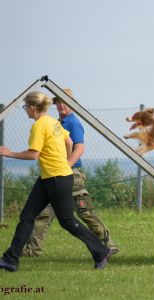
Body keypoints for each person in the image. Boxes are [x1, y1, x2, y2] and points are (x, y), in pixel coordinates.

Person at [0, 91, 111, 272]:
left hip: (57, 179)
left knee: (67, 221)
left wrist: (8, 152)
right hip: (49, 177)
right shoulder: (53, 122)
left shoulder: (39, 126)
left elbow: (33, 154)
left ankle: (101, 251)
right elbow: (68, 141)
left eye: (26, 106)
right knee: (27, 216)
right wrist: (64, 161)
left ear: (33, 108)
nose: (25, 110)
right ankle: (10, 260)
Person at [22, 88, 118, 257]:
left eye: (64, 101)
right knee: (44, 212)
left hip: (71, 173)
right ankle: (32, 249)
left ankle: (107, 244)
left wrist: (66, 166)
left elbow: (79, 148)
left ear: (73, 103)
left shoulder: (72, 122)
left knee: (84, 211)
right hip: (57, 174)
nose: (61, 105)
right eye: (58, 101)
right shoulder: (58, 121)